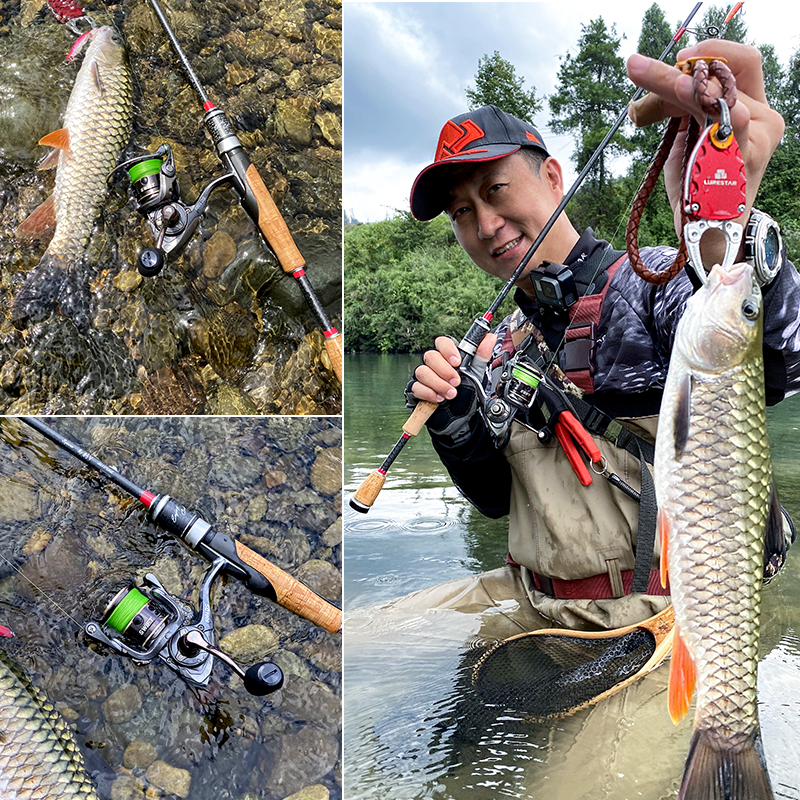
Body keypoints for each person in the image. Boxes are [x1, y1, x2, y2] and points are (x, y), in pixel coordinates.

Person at [401, 38, 800, 632]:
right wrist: (455, 419)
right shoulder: (503, 342)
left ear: (554, 177)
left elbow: (779, 361)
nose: (484, 225)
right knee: (359, 643)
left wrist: (725, 237)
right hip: (526, 602)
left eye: (496, 191)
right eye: (461, 212)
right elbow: (495, 500)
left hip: (649, 616)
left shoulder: (652, 283)